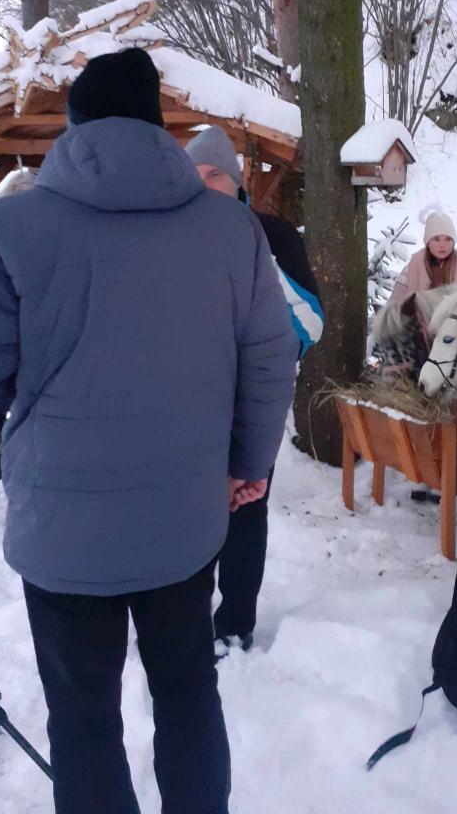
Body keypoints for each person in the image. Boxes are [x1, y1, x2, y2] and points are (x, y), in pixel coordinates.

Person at [0, 49, 298, 814]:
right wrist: (249, 463)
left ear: (77, 126)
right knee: (189, 692)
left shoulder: (12, 227)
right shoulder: (231, 228)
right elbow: (269, 355)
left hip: (61, 535)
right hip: (183, 522)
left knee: (82, 718)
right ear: (157, 126)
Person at [185, 125, 323, 655]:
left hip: (251, 405)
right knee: (188, 513)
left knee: (244, 512)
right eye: (192, 175)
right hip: (186, 405)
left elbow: (310, 321)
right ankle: (184, 618)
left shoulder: (273, 235)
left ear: (236, 181)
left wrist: (254, 254)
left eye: (214, 175)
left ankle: (235, 622)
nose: (202, 185)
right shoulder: (169, 236)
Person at [389, 211, 457, 306]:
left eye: (448, 239)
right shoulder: (413, 268)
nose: (442, 245)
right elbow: (395, 304)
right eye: (436, 239)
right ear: (428, 243)